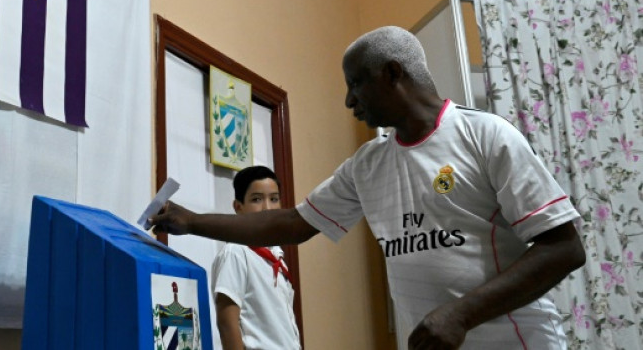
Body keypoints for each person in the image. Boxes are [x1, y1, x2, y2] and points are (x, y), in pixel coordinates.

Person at [152, 26, 586, 350]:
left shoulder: (486, 136)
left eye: (355, 83)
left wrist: (461, 314)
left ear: (392, 73)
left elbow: (564, 248)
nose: (348, 100)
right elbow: (291, 223)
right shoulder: (368, 164)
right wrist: (191, 222)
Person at [212, 165, 301, 350]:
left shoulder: (277, 257)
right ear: (238, 207)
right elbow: (227, 322)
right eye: (257, 199)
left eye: (274, 199)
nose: (267, 208)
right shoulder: (236, 252)